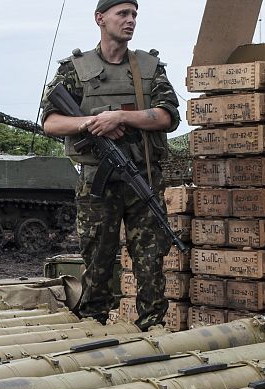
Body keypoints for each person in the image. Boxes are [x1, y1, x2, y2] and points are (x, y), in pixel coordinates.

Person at [41, 0, 180, 330]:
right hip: (97, 182)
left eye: (134, 15)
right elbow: (51, 122)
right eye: (123, 14)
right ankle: (93, 325)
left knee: (150, 259)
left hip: (142, 177)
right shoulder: (75, 69)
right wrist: (92, 123)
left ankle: (153, 326)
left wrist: (120, 117)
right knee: (97, 258)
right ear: (100, 19)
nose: (130, 20)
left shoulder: (149, 67)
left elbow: (168, 116)